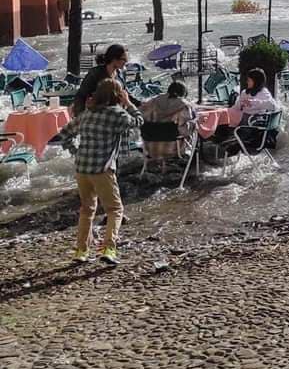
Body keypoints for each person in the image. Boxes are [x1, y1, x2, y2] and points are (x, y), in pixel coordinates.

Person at [55, 76, 143, 266]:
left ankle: (81, 251)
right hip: (102, 169)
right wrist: (128, 103)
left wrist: (75, 151)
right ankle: (109, 249)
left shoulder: (87, 113)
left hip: (82, 168)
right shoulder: (116, 114)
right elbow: (138, 121)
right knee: (115, 209)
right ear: (117, 95)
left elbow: (63, 135)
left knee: (87, 210)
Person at [139, 81, 196, 161]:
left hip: (150, 148)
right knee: (193, 126)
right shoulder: (184, 105)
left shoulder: (152, 101)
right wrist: (195, 124)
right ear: (184, 93)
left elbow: (140, 117)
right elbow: (185, 131)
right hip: (174, 149)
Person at [72, 44, 128, 117]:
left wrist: (141, 104)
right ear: (114, 59)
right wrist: (80, 117)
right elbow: (81, 96)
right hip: (97, 114)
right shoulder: (95, 73)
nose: (126, 62)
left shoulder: (120, 74)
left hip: (117, 114)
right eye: (124, 59)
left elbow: (125, 94)